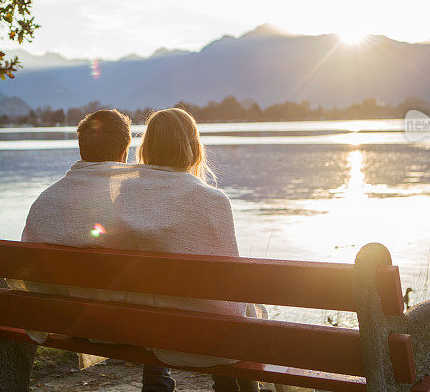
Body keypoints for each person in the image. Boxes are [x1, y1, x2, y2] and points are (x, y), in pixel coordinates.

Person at [15, 108, 258, 392]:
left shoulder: (122, 195)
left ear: (145, 147)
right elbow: (229, 289)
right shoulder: (213, 200)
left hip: (108, 322)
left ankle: (156, 379)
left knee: (149, 300)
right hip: (189, 329)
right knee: (244, 312)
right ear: (193, 146)